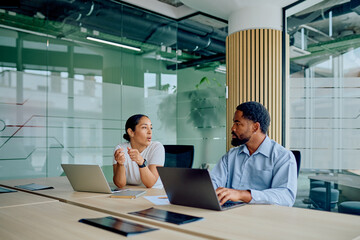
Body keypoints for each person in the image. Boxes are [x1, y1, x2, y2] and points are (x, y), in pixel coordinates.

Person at [211, 101, 297, 207]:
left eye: (238, 123)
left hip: (261, 218)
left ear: (255, 127)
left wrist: (243, 195)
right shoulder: (231, 156)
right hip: (228, 214)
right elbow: (213, 183)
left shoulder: (283, 157)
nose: (233, 128)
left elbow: (286, 197)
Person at [113, 114, 165, 188]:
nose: (150, 132)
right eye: (144, 127)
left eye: (151, 128)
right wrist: (120, 164)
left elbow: (150, 183)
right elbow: (120, 184)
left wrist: (141, 162)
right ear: (131, 132)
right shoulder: (120, 149)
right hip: (132, 193)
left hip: (154, 193)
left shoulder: (157, 147)